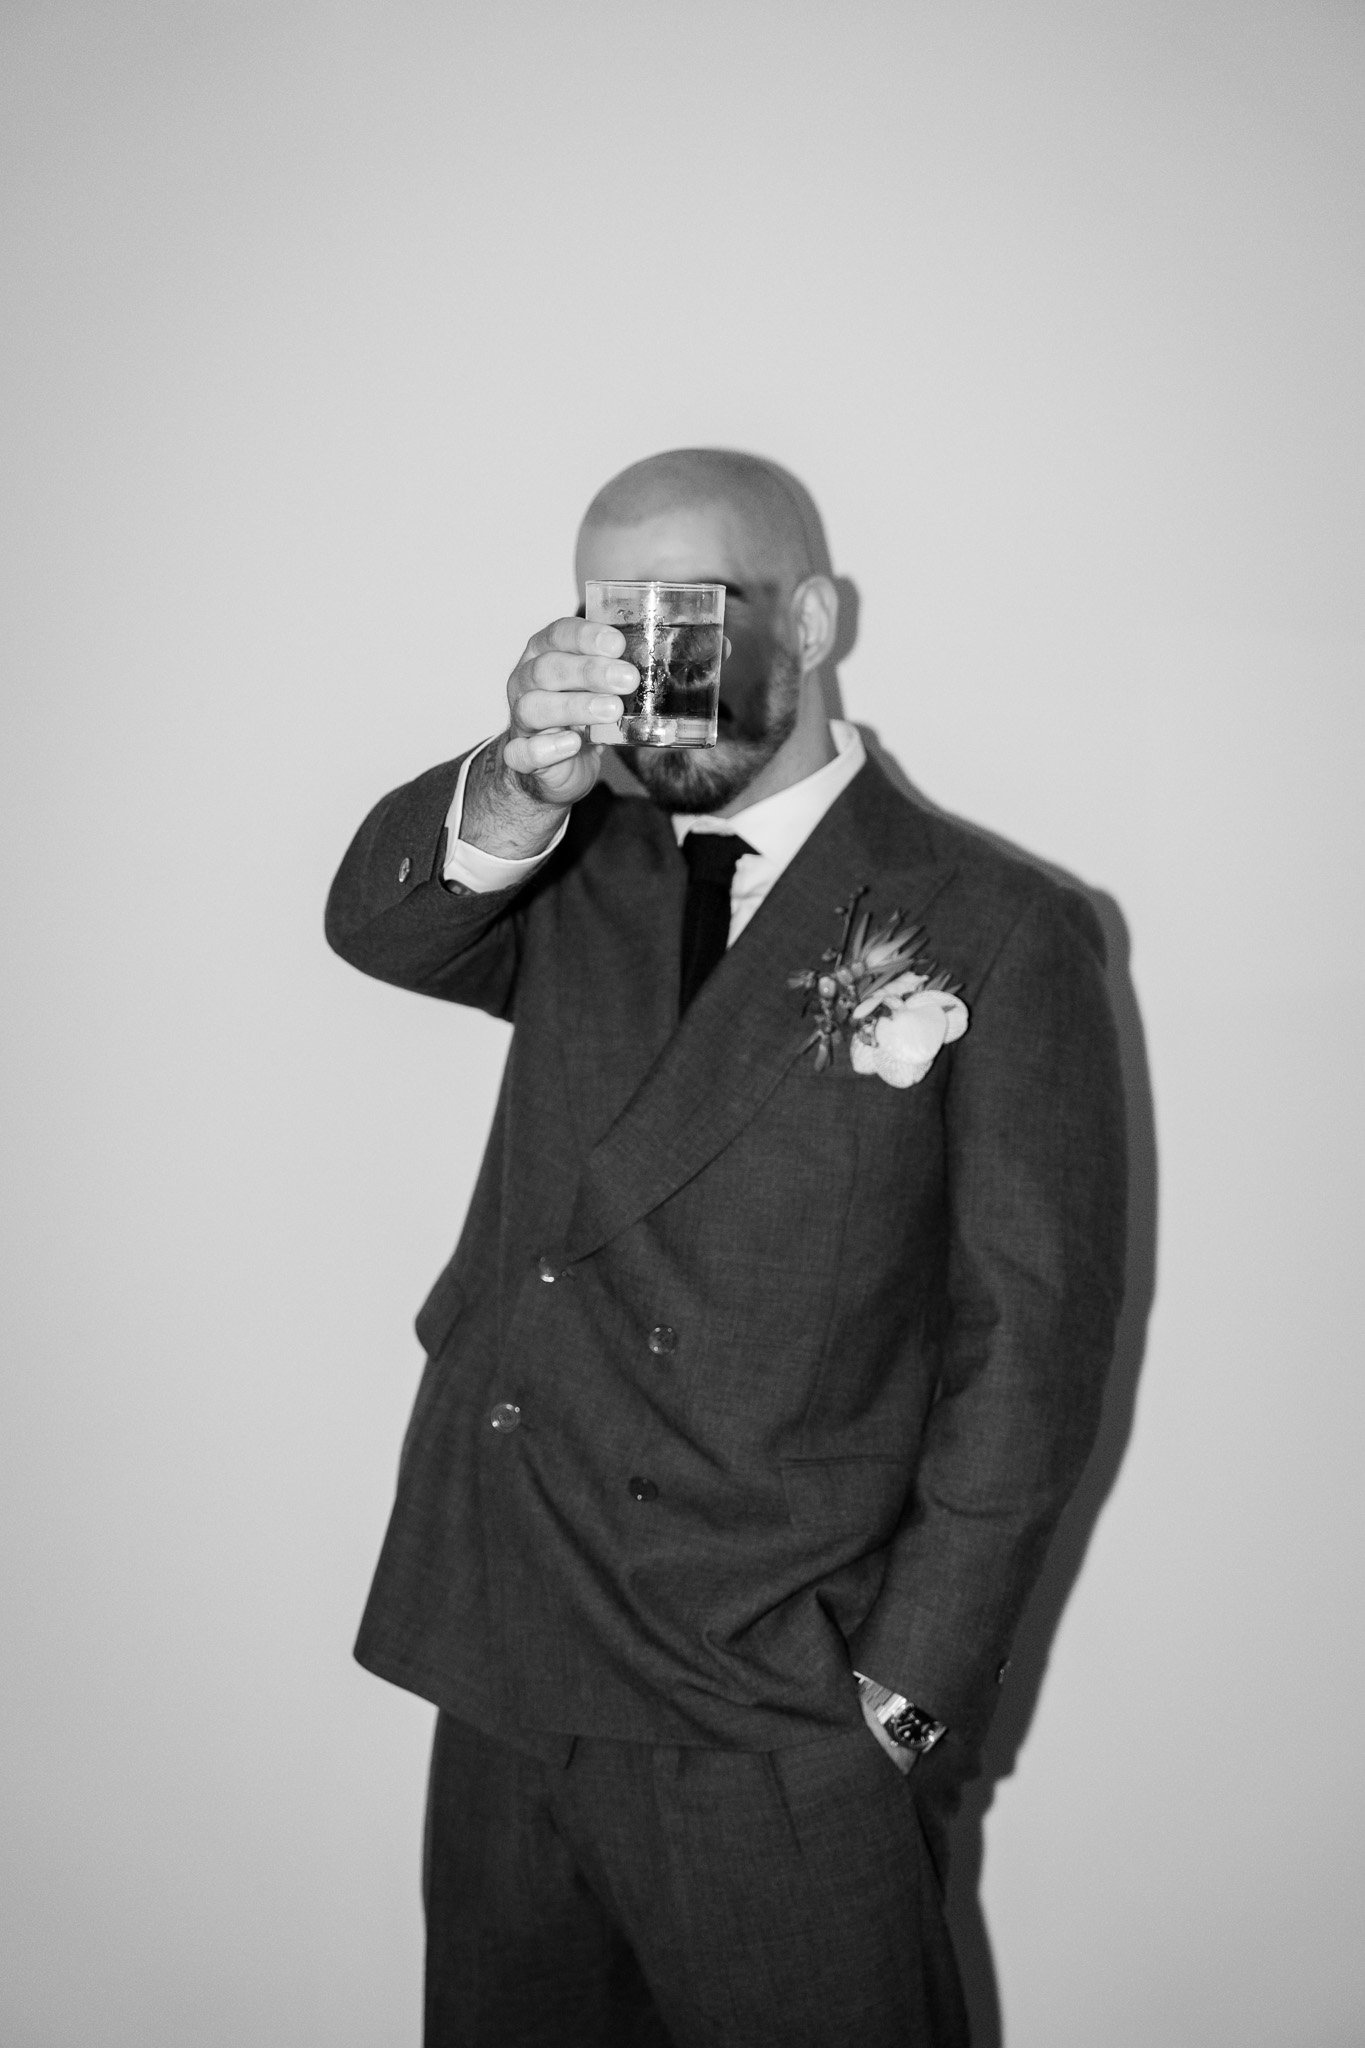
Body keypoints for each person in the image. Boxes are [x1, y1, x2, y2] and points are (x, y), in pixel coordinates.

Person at [325, 449, 1128, 2048]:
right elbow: (383, 923)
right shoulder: (569, 865)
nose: (648, 662)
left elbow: (1023, 1358)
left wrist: (896, 1698)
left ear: (814, 621)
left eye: (685, 611)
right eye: (606, 620)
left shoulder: (992, 922)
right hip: (511, 1646)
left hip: (767, 1700)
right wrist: (513, 775)